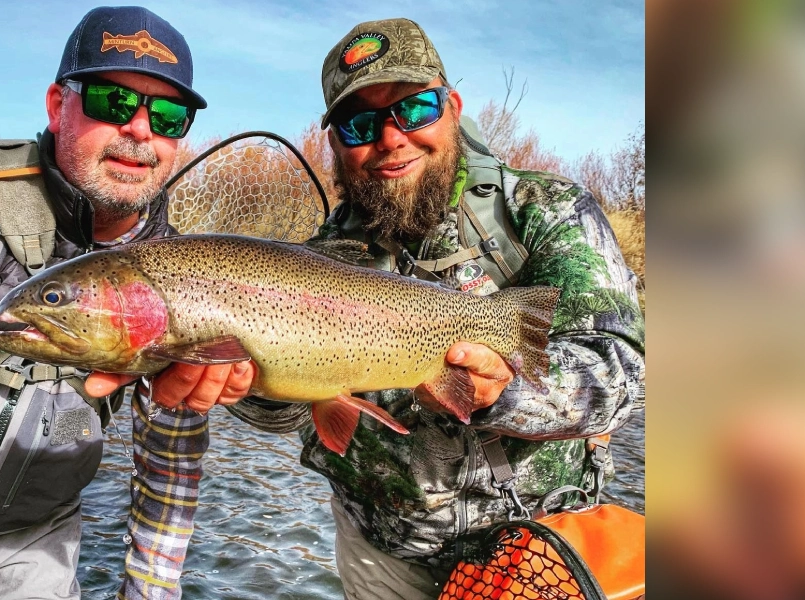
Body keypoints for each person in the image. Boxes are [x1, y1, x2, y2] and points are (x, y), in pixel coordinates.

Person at [223, 18, 645, 599]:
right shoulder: (316, 263)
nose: (391, 137)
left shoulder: (547, 212)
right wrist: (242, 384)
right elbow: (295, 414)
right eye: (359, 123)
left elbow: (625, 375)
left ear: (452, 106)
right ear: (337, 142)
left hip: (538, 553)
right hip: (381, 552)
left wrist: (508, 390)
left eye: (414, 109)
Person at [0, 7, 250, 600]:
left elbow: (169, 468)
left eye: (167, 115)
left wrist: (148, 592)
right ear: (57, 104)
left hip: (36, 551)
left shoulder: (192, 279)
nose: (141, 130)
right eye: (113, 102)